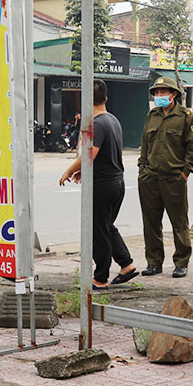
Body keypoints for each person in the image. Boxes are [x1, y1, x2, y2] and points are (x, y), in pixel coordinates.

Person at [59, 80, 138, 289]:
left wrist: (69, 170)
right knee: (106, 227)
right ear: (106, 98)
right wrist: (82, 171)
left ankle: (100, 278)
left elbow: (89, 155)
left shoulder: (97, 124)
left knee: (97, 231)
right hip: (116, 183)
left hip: (103, 186)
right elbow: (100, 156)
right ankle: (126, 264)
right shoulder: (112, 120)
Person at [138, 76, 193, 278]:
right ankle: (154, 262)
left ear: (173, 94)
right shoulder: (151, 115)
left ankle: (181, 262)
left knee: (179, 222)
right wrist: (142, 169)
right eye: (156, 93)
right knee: (151, 221)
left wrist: (185, 172)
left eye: (163, 92)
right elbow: (145, 145)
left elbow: (192, 148)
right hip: (150, 177)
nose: (159, 96)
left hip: (174, 178)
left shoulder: (186, 117)